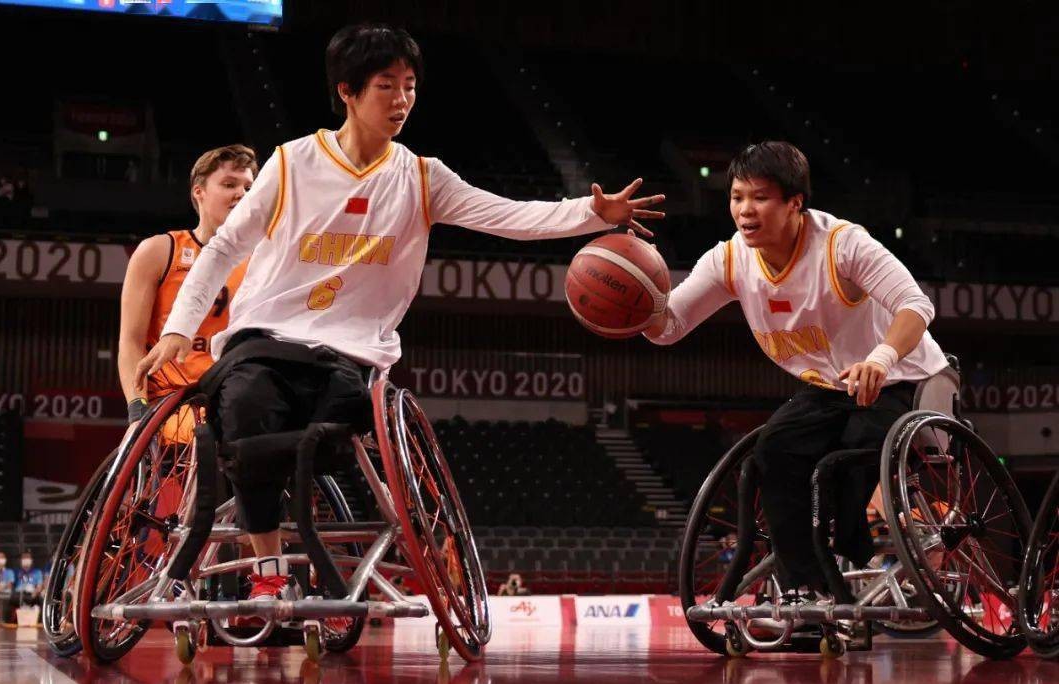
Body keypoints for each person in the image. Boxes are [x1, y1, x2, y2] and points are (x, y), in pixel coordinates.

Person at [136, 22, 665, 602]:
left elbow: (509, 216)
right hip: (265, 340)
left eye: (410, 86)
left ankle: (312, 553)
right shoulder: (290, 164)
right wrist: (178, 330)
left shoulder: (421, 177)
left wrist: (592, 214)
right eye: (386, 86)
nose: (402, 100)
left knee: (323, 439)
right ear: (347, 91)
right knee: (245, 413)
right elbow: (221, 251)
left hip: (351, 354)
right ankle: (268, 571)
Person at [644, 141, 947, 624]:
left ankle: (854, 550)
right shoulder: (729, 260)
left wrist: (881, 357)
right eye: (737, 197)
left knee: (853, 448)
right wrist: (635, 306)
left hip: (902, 376)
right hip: (830, 386)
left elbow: (916, 306)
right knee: (775, 448)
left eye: (760, 197)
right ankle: (805, 587)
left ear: (794, 203)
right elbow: (668, 327)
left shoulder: (842, 245)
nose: (745, 209)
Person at [118, 145, 257, 435]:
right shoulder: (159, 251)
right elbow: (131, 342)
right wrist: (137, 411)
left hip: (235, 399)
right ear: (199, 192)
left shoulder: (262, 260)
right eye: (229, 184)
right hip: (170, 402)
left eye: (248, 187)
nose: (241, 194)